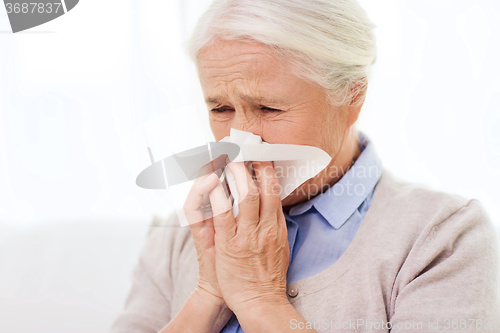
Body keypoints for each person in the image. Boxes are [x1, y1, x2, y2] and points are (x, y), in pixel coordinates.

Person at [110, 0, 500, 332]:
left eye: (269, 108)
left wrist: (260, 301)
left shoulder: (441, 237)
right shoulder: (176, 238)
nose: (242, 139)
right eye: (221, 108)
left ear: (352, 96)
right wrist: (208, 295)